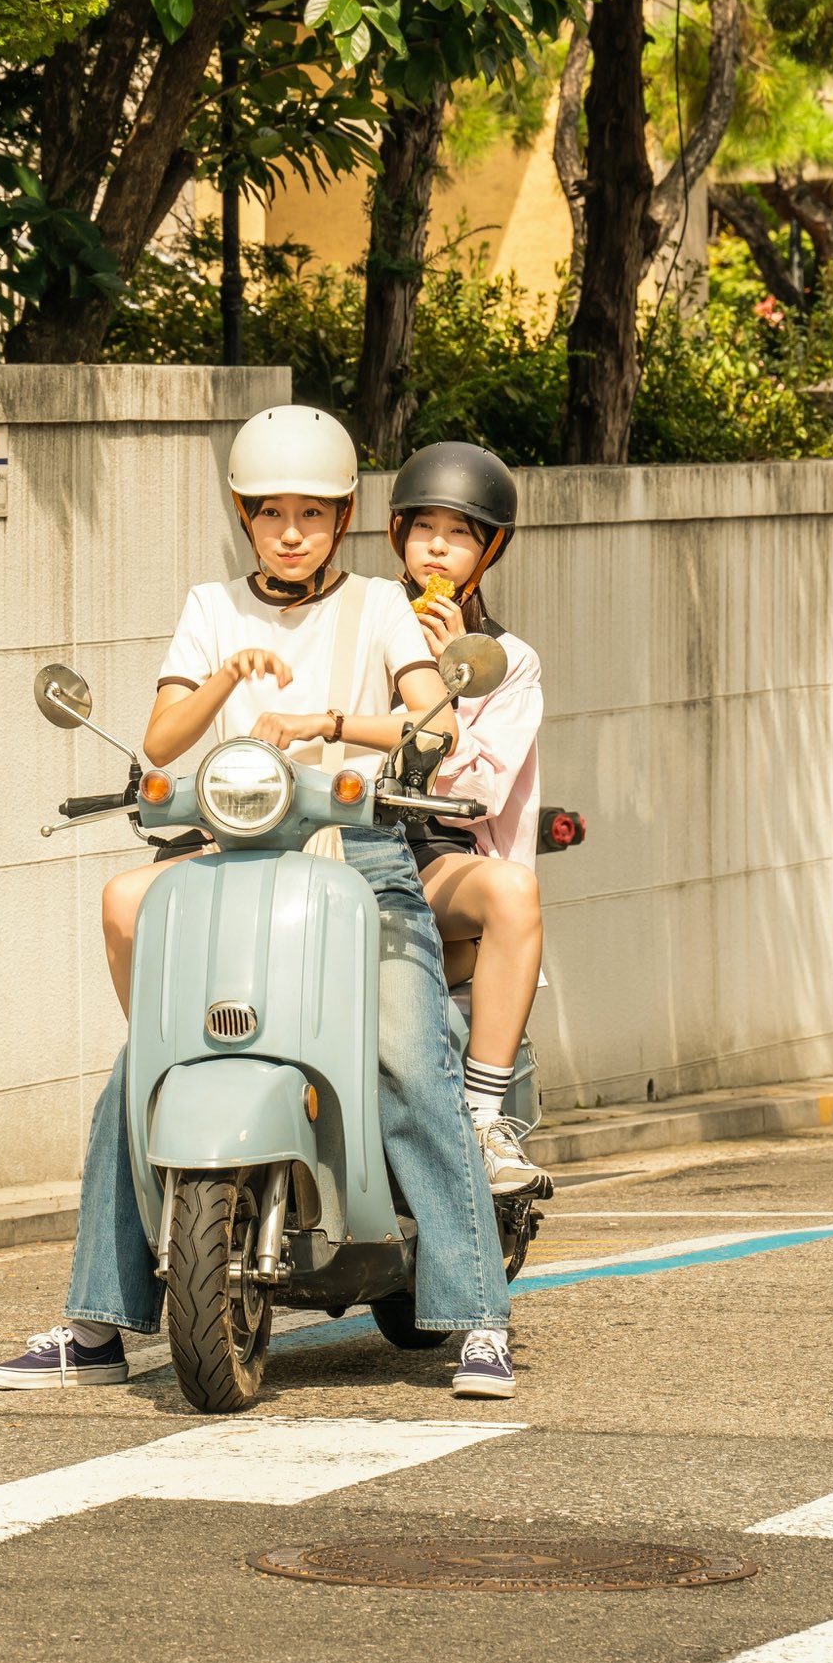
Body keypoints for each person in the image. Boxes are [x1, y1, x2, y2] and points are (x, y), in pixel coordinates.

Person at [0, 405, 516, 1399]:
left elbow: (428, 719)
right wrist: (227, 671)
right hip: (232, 849)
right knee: (134, 1071)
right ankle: (96, 1320)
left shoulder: (379, 604)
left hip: (360, 854)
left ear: (344, 516)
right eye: (269, 512)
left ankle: (476, 1313)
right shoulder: (210, 606)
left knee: (407, 1057)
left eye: (312, 513)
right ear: (243, 515)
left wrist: (331, 720)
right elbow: (161, 736)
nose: (289, 531)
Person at [389, 443, 548, 1198]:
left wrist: (448, 669)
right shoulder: (360, 618)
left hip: (434, 850)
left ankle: (485, 1119)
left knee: (511, 891)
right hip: (334, 836)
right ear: (397, 536)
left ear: (489, 550)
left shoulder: (509, 662)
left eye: (459, 534)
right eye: (425, 530)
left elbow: (480, 787)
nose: (438, 551)